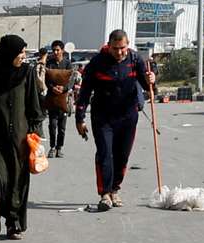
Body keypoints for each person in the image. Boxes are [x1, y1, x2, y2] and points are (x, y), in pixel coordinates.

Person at [75, 29, 155, 211]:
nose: (120, 52)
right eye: (115, 48)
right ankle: (104, 193)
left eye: (123, 48)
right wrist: (80, 118)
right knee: (105, 153)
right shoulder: (97, 63)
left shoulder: (135, 60)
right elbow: (85, 92)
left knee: (122, 155)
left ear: (128, 46)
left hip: (128, 117)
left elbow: (147, 86)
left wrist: (152, 79)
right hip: (103, 117)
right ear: (109, 46)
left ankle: (115, 189)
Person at [0, 35, 42, 240]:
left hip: (21, 137)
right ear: (9, 53)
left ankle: (14, 222)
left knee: (18, 180)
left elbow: (33, 105)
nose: (23, 56)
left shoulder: (27, 74)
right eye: (20, 52)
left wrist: (37, 133)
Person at [45, 40, 74, 158]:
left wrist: (64, 88)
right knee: (52, 125)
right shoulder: (50, 63)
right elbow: (46, 79)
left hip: (64, 99)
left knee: (62, 127)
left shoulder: (67, 64)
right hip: (52, 99)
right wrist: (52, 88)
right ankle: (52, 147)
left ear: (62, 50)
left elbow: (71, 80)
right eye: (54, 50)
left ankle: (59, 147)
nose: (56, 52)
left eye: (58, 50)